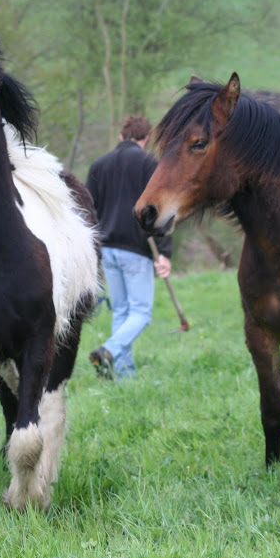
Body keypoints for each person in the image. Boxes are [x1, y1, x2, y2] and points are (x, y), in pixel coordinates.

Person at [86, 115, 172, 380]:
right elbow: (160, 209)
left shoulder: (99, 165)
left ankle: (124, 375)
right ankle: (109, 350)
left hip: (107, 249)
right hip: (137, 248)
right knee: (141, 313)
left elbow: (88, 210)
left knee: (122, 310)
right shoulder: (150, 164)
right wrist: (165, 252)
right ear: (145, 139)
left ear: (121, 137)